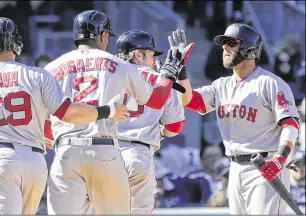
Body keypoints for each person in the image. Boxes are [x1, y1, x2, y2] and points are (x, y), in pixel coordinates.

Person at [0, 17, 129, 215]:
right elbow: (67, 113)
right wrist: (106, 111)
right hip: (34, 161)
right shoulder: (37, 75)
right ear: (16, 43)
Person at [43, 10, 185, 215]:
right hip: (106, 151)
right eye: (107, 35)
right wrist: (168, 77)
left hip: (66, 151)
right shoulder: (119, 65)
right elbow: (157, 101)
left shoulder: (51, 68)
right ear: (101, 36)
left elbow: (42, 120)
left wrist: (52, 136)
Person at [170, 24, 300, 214]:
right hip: (235, 167)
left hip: (266, 167)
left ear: (250, 51)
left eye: (231, 43)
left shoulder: (270, 83)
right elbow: (189, 100)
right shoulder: (221, 85)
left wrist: (280, 159)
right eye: (224, 43)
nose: (225, 48)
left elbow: (291, 124)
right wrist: (181, 70)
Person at [115, 30, 186, 214]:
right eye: (151, 55)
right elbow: (174, 127)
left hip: (105, 152)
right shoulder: (161, 80)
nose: (153, 61)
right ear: (138, 54)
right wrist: (160, 132)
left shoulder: (107, 75)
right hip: (138, 154)